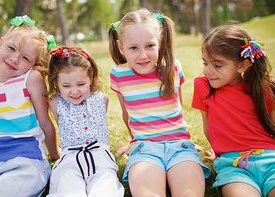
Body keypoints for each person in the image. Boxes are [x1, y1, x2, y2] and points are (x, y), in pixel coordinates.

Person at [108, 9, 210, 197]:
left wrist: (183, 139)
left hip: (180, 146)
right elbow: (126, 114)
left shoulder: (173, 67)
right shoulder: (118, 74)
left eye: (149, 46)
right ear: (121, 47)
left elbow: (178, 109)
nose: (143, 55)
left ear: (159, 43)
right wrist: (135, 140)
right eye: (133, 48)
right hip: (144, 148)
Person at [0, 15, 60, 197]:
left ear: (34, 64)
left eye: (25, 58)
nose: (15, 59)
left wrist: (55, 154)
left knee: (17, 184)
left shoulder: (30, 79)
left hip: (25, 158)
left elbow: (45, 123)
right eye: (11, 48)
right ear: (1, 44)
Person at [192, 25, 275, 197]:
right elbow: (209, 129)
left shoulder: (263, 87)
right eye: (205, 63)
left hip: (271, 160)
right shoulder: (203, 86)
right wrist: (221, 153)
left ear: (242, 65)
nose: (208, 71)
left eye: (217, 65)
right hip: (234, 166)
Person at [46, 47, 124, 197]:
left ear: (90, 77)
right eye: (66, 86)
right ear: (56, 82)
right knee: (67, 187)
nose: (75, 91)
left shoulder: (102, 99)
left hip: (100, 156)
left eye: (81, 84)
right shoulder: (55, 102)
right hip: (70, 158)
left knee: (105, 188)